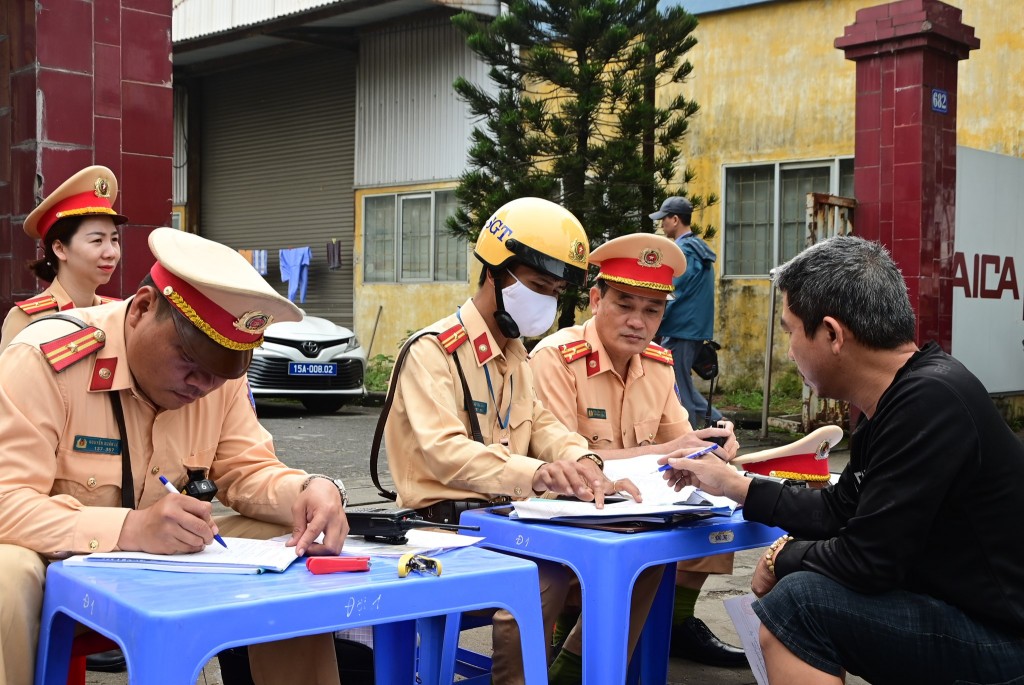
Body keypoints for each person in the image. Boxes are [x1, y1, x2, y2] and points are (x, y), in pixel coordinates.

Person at [665, 235, 1024, 684]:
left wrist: (782, 557)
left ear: (833, 334)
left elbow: (867, 560)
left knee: (799, 606)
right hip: (965, 612)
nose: (790, 349)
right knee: (804, 592)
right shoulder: (901, 397)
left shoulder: (929, 402)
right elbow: (841, 509)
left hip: (1003, 641)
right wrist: (735, 484)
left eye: (791, 330)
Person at [0, 228, 351, 685]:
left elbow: (248, 470)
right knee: (6, 572)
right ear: (143, 308)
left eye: (218, 374)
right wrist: (130, 528)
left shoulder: (216, 383)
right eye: (190, 362)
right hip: (58, 562)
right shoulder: (44, 360)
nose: (201, 387)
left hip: (166, 556)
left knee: (291, 538)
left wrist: (309, 490)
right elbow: (7, 501)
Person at [383, 197, 641, 684]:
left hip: (504, 523)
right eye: (539, 286)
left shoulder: (514, 356)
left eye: (557, 290)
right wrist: (537, 474)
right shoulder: (432, 352)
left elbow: (543, 426)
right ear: (496, 273)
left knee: (625, 553)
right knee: (543, 579)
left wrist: (584, 463)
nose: (548, 300)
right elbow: (445, 452)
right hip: (439, 531)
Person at [529, 233, 746, 675]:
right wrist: (670, 449)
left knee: (713, 510)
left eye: (652, 310)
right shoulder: (556, 358)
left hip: (633, 506)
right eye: (624, 304)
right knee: (645, 548)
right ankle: (573, 656)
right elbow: (567, 465)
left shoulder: (659, 366)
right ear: (595, 299)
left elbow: (682, 444)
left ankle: (674, 623)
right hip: (563, 513)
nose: (637, 322)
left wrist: (710, 451)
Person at [1, 165, 126, 351]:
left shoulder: (119, 313)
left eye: (114, 239)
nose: (111, 252)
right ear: (60, 249)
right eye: (97, 240)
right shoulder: (27, 319)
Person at [650, 196, 723, 427]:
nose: (662, 225)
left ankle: (687, 439)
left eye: (664, 219)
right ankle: (721, 424)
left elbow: (672, 291)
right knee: (683, 386)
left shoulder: (684, 251)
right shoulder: (697, 248)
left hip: (680, 329)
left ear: (675, 219)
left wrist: (655, 322)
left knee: (678, 390)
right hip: (691, 329)